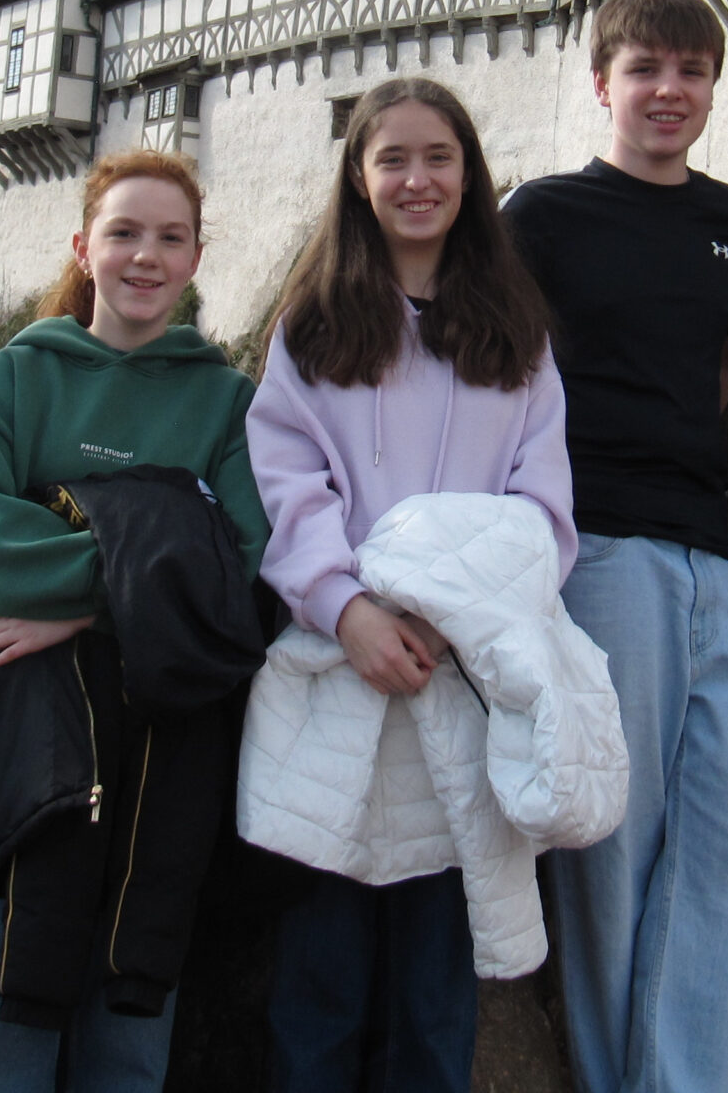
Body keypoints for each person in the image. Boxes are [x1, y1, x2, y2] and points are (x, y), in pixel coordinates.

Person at [244, 75, 576, 1093]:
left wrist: (453, 615)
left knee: (433, 1010)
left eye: (439, 157)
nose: (417, 179)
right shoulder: (312, 328)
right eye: (393, 159)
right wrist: (347, 610)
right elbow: (288, 489)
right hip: (339, 690)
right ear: (358, 177)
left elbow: (541, 511)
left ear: (469, 175)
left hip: (459, 697)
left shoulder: (516, 334)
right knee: (319, 998)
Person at [0, 148, 269, 1093]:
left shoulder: (226, 403)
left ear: (196, 257)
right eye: (124, 233)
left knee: (128, 1037)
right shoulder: (15, 380)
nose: (145, 256)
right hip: (26, 743)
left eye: (170, 237)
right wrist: (148, 561)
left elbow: (238, 568)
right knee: (3, 1031)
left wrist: (76, 611)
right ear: (85, 247)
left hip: (163, 749)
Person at [502, 0, 728, 1093]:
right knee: (613, 850)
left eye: (691, 71)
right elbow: (498, 376)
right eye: (645, 70)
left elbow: (719, 372)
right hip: (603, 548)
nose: (670, 91)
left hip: (711, 547)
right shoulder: (543, 215)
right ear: (600, 83)